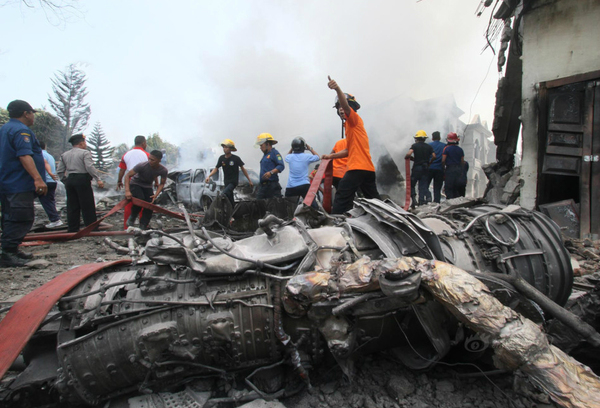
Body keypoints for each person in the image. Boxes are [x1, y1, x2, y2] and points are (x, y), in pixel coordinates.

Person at [321, 77, 380, 214]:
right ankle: (390, 220)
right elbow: (349, 150)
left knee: (342, 195)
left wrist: (337, 89)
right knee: (374, 200)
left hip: (357, 167)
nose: (341, 110)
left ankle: (337, 224)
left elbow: (346, 107)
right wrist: (332, 156)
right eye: (338, 108)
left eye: (343, 107)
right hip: (367, 168)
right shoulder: (352, 127)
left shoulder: (354, 120)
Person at [0, 100, 47, 267]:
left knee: (9, 216)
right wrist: (38, 178)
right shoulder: (21, 131)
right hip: (18, 182)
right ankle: (8, 253)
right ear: (26, 113)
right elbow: (24, 156)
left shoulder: (5, 128)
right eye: (32, 113)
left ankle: (12, 249)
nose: (33, 116)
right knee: (21, 217)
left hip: (8, 182)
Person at [57, 134, 105, 232]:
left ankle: (73, 229)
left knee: (72, 206)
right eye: (85, 142)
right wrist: (98, 179)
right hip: (82, 180)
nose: (86, 144)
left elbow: (60, 171)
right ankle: (91, 228)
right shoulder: (85, 153)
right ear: (81, 143)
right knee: (87, 205)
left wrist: (65, 181)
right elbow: (89, 167)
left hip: (70, 180)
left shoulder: (65, 154)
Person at [124, 150, 168, 230]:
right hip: (136, 184)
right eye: (149, 159)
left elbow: (162, 184)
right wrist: (127, 191)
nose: (150, 161)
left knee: (151, 204)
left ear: (159, 160)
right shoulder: (142, 165)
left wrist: (156, 194)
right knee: (140, 200)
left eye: (152, 160)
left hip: (147, 186)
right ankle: (132, 218)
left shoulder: (163, 170)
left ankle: (143, 225)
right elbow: (127, 175)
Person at [205, 139, 254, 206]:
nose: (224, 149)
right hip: (226, 182)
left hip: (233, 182)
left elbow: (243, 169)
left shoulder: (236, 158)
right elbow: (216, 168)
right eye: (223, 147)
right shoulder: (221, 158)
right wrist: (209, 176)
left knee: (223, 194)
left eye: (226, 147)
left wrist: (249, 180)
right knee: (230, 199)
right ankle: (232, 214)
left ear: (230, 148)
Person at [117, 135, 150, 229]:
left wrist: (119, 181)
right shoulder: (147, 155)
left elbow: (122, 170)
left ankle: (126, 227)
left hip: (130, 182)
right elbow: (151, 169)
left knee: (129, 204)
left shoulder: (126, 154)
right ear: (143, 143)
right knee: (143, 204)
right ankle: (143, 226)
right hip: (143, 182)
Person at [404, 130, 435, 207]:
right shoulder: (429, 147)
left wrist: (411, 158)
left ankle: (413, 200)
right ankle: (421, 201)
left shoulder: (414, 146)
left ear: (417, 138)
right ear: (424, 139)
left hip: (417, 168)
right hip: (425, 168)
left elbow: (408, 154)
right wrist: (429, 162)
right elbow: (434, 156)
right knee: (422, 185)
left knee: (412, 184)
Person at [38, 140, 63, 228]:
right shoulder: (50, 156)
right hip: (52, 181)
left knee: (46, 201)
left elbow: (44, 163)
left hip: (45, 182)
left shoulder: (39, 154)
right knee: (49, 201)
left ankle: (55, 219)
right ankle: (55, 219)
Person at [255, 133, 285, 200]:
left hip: (272, 186)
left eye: (261, 145)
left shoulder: (275, 153)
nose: (260, 148)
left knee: (275, 206)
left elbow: (281, 165)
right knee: (258, 204)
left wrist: (271, 173)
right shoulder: (265, 155)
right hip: (263, 187)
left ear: (267, 144)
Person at [442, 132, 466, 200]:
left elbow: (443, 160)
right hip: (458, 169)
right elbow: (462, 161)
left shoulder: (446, 149)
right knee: (456, 186)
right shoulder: (460, 149)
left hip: (450, 169)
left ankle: (450, 201)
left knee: (449, 186)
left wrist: (443, 169)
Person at [426, 131, 446, 204]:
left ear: (432, 138)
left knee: (425, 185)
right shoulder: (444, 146)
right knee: (437, 188)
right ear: (440, 138)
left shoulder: (428, 145)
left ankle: (427, 198)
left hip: (429, 168)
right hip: (440, 169)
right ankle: (436, 202)